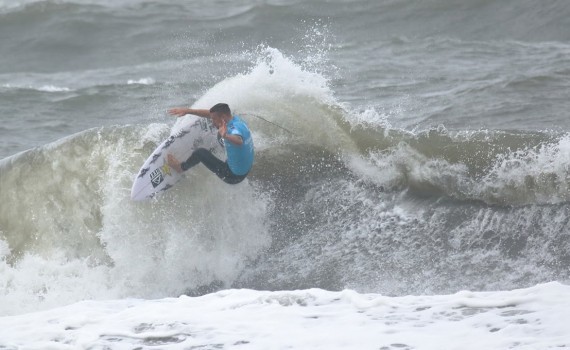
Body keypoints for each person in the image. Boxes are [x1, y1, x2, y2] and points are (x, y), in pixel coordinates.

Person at [166, 103, 254, 185]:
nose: (212, 121)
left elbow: (239, 140)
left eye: (214, 119)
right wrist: (188, 111)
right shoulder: (236, 120)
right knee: (220, 135)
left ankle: (180, 168)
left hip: (233, 176)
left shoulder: (233, 130)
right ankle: (216, 148)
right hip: (245, 168)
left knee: (200, 153)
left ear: (223, 117)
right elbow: (210, 114)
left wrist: (226, 136)